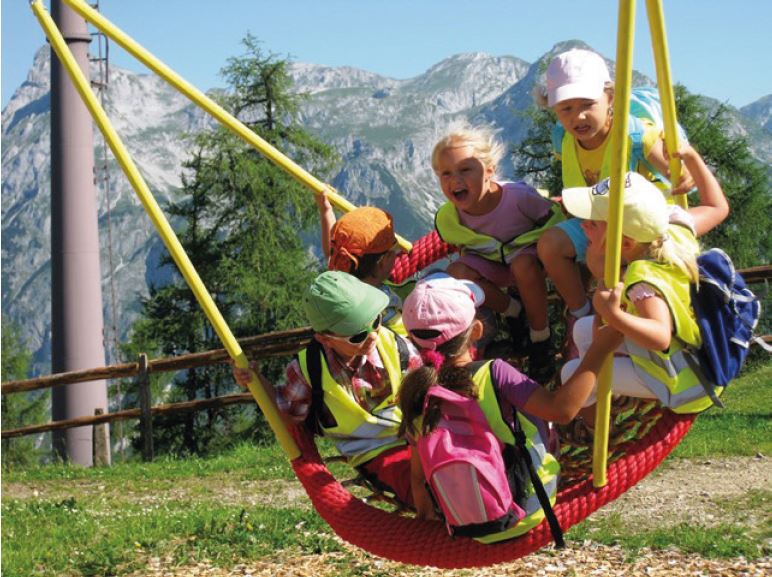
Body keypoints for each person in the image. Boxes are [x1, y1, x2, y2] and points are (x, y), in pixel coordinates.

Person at [397, 274, 624, 542]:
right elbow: (562, 409)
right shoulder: (495, 372)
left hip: (467, 525)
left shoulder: (414, 390)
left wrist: (430, 523)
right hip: (528, 510)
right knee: (537, 418)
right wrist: (600, 349)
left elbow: (418, 478)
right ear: (477, 330)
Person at [533, 48, 695, 358]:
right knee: (550, 245)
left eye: (587, 105)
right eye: (566, 108)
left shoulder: (634, 134)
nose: (577, 116)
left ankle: (622, 332)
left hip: (634, 228)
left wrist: (681, 177)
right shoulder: (565, 140)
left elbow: (675, 175)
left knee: (607, 268)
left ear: (610, 98)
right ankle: (580, 312)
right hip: (597, 222)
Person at [233, 270, 421, 505]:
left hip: (413, 433)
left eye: (376, 320)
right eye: (358, 335)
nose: (373, 335)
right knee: (418, 491)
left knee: (452, 476)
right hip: (370, 449)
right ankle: (436, 529)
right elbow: (289, 415)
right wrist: (254, 380)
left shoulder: (395, 345)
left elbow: (424, 394)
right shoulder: (309, 369)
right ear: (325, 339)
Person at [560, 171, 722, 416]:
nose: (582, 225)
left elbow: (660, 336)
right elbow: (714, 207)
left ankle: (592, 412)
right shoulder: (672, 232)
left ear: (625, 244)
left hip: (688, 384)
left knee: (571, 372)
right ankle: (604, 387)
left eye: (592, 223)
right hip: (697, 353)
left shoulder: (642, 280)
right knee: (582, 331)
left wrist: (613, 314)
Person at [431, 124, 564, 382]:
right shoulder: (450, 217)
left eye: (465, 170)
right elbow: (460, 246)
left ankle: (540, 338)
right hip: (493, 264)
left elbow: (554, 221)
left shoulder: (518, 197)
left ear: (489, 170)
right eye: (445, 174)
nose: (455, 180)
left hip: (530, 260)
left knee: (523, 265)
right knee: (455, 272)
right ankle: (514, 312)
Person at [315, 192, 407, 334]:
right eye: (394, 249)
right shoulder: (386, 310)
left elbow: (332, 253)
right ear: (383, 262)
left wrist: (325, 210)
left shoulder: (339, 284)